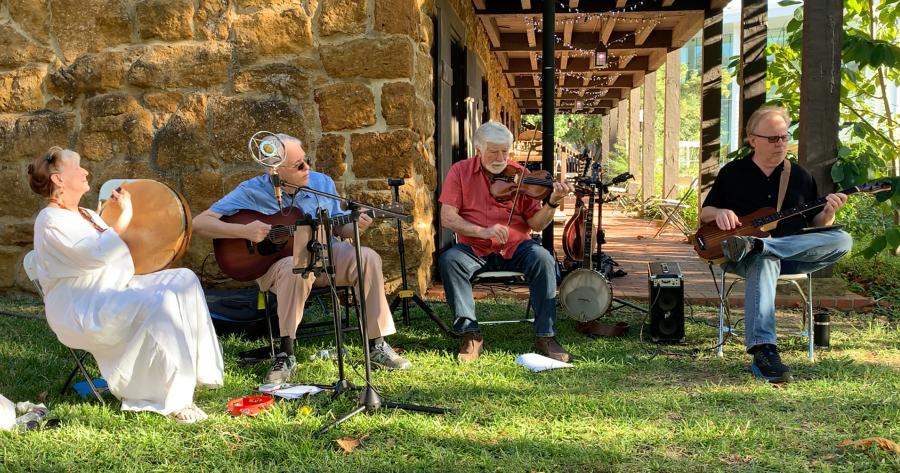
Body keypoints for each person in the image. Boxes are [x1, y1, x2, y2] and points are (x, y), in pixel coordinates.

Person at [192, 134, 411, 384]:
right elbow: (200, 223)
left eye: (306, 160)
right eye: (298, 165)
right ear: (276, 172)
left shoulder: (321, 183)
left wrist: (358, 224)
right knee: (295, 268)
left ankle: (377, 344)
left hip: (325, 254)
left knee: (367, 257)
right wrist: (242, 231)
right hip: (279, 266)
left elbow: (342, 230)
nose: (307, 167)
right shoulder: (251, 191)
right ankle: (286, 353)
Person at [28, 147, 224, 423]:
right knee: (162, 302)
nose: (86, 172)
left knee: (184, 279)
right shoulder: (50, 220)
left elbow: (115, 253)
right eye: (77, 168)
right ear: (59, 179)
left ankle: (199, 372)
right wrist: (125, 216)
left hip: (114, 290)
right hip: (83, 307)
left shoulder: (86, 213)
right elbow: (94, 253)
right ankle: (174, 400)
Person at [700, 105, 853, 383]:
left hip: (790, 253)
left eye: (784, 137)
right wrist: (720, 213)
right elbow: (704, 213)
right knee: (763, 261)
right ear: (752, 139)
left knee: (843, 239)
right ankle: (764, 350)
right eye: (773, 138)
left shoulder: (800, 176)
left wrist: (829, 212)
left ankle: (762, 245)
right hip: (744, 258)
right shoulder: (733, 173)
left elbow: (817, 224)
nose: (780, 144)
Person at [439, 121, 576, 363]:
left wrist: (552, 203)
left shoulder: (520, 175)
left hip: (516, 247)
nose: (501, 157)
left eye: (505, 151)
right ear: (478, 150)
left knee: (543, 258)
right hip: (475, 248)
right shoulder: (459, 172)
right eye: (493, 151)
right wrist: (483, 231)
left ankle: (546, 335)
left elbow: (536, 224)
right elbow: (447, 218)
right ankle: (470, 334)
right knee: (450, 260)